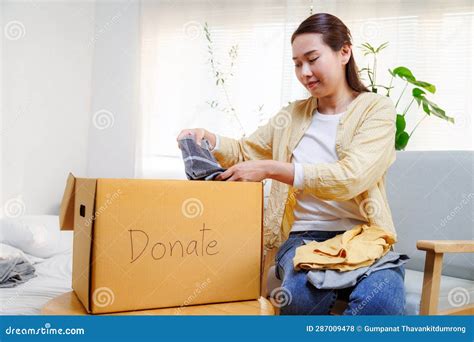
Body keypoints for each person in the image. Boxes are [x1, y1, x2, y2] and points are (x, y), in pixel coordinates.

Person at [177, 13, 405, 315]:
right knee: (300, 299)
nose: (305, 72)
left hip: (364, 236)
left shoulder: (376, 109)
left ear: (344, 53)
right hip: (304, 238)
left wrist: (273, 169)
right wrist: (209, 138)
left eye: (312, 59)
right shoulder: (293, 115)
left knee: (382, 303)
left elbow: (353, 176)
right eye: (297, 63)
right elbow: (247, 152)